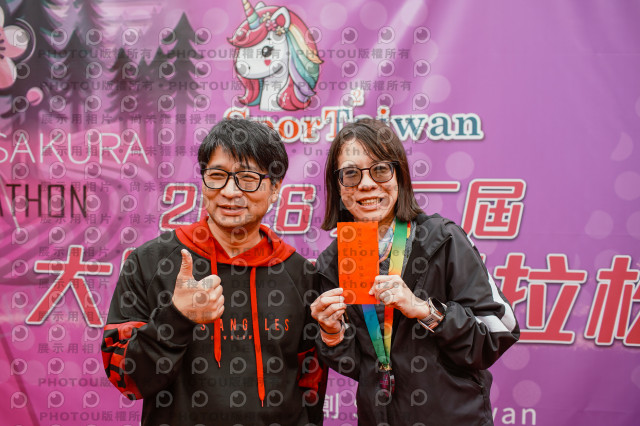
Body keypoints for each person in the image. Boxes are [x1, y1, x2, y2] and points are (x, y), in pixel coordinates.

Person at [102, 119, 327, 426]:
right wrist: (176, 318)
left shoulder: (301, 275)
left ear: (275, 188)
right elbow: (125, 378)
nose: (230, 192)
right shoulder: (150, 263)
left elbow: (310, 384)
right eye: (217, 176)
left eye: (247, 178)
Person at [310, 119, 519, 425]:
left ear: (400, 175)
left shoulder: (442, 239)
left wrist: (425, 310)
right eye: (351, 174)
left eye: (380, 169)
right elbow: (358, 366)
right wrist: (332, 334)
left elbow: (497, 333)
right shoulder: (333, 261)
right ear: (338, 186)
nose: (366, 184)